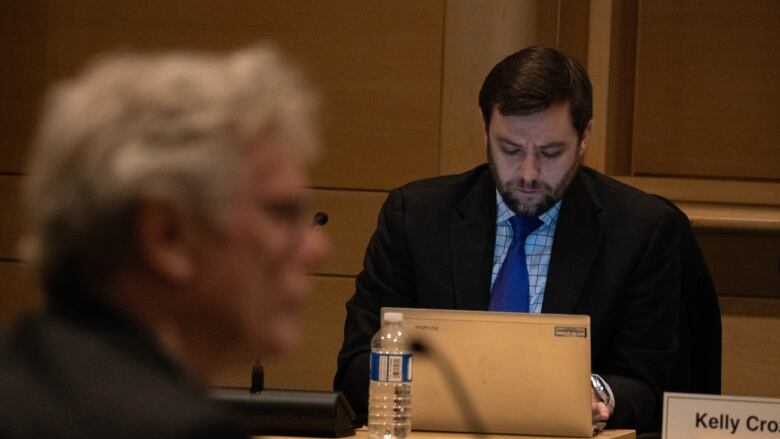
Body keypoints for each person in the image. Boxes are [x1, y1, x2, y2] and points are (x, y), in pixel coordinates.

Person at [335, 46, 684, 434]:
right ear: (485, 129)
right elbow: (356, 363)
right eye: (510, 149)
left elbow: (650, 384)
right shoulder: (415, 218)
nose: (529, 173)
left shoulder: (640, 230)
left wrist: (597, 393)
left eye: (551, 152)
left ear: (584, 136)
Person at [0, 44, 327, 438]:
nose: (314, 248)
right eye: (281, 213)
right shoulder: (175, 431)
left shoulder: (20, 373)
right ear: (167, 236)